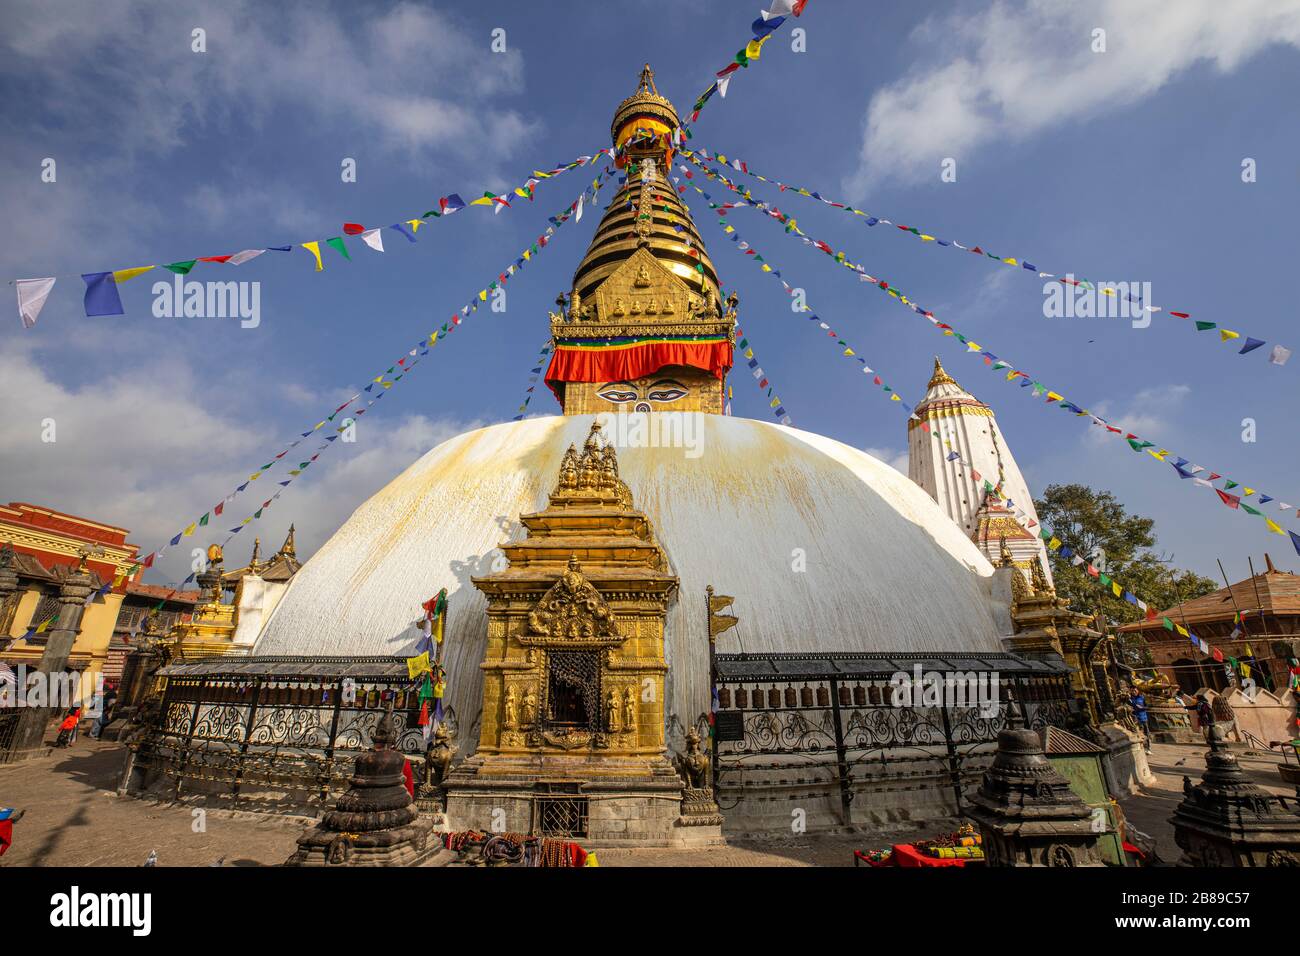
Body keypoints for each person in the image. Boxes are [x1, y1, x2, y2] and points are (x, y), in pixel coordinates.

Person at [1128, 687, 1151, 752]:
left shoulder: (1142, 698)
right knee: (1138, 733)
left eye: (1135, 690)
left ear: (1137, 691)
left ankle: (1148, 748)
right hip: (1135, 719)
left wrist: (1142, 707)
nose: (1134, 692)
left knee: (1146, 733)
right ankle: (1141, 748)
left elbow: (1148, 706)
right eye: (1132, 691)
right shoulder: (1130, 699)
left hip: (1143, 718)